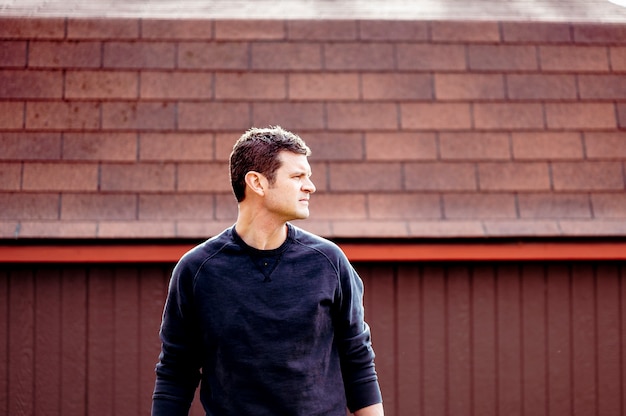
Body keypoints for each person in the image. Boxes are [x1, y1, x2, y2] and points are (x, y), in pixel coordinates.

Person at [152, 126, 384, 416]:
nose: (310, 186)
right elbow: (176, 371)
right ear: (257, 183)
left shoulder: (329, 263)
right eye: (298, 177)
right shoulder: (197, 271)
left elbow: (358, 359)